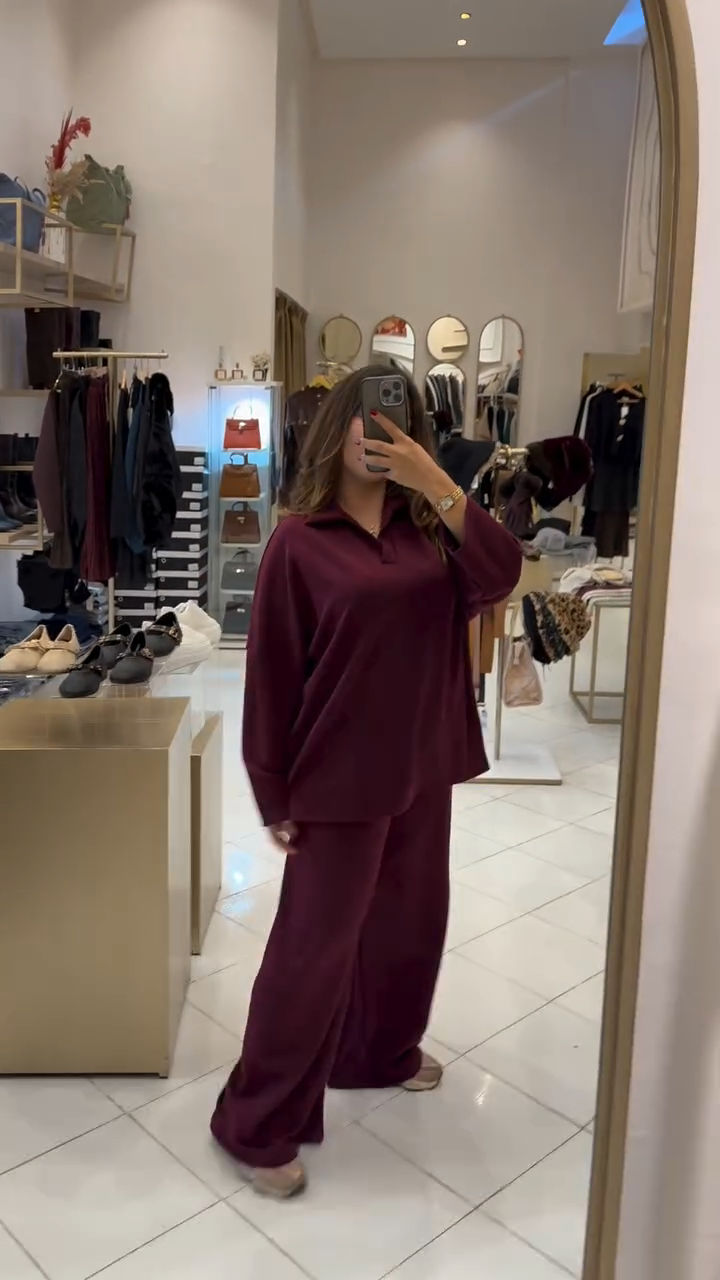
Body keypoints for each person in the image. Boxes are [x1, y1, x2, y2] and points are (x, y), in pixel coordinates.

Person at [211, 365, 522, 1197]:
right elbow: (272, 675)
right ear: (339, 426)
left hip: (424, 761)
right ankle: (256, 1122)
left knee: (411, 924)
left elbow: (501, 574)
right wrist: (273, 791)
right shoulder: (299, 542)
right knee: (312, 951)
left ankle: (379, 1053)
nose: (380, 433)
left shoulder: (432, 533)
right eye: (368, 417)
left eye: (399, 422)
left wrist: (438, 484)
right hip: (338, 776)